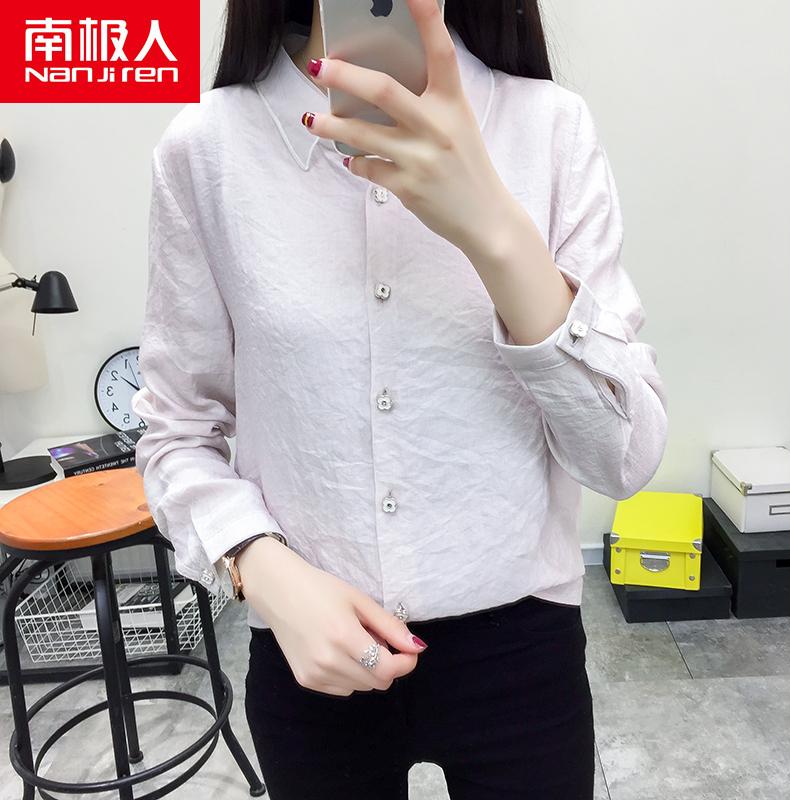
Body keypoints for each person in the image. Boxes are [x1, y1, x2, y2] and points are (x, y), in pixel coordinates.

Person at [131, 0, 668, 797]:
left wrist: (496, 230)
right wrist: (258, 566)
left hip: (523, 657)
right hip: (310, 655)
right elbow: (177, 430)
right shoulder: (207, 150)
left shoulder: (550, 128)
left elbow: (625, 458)